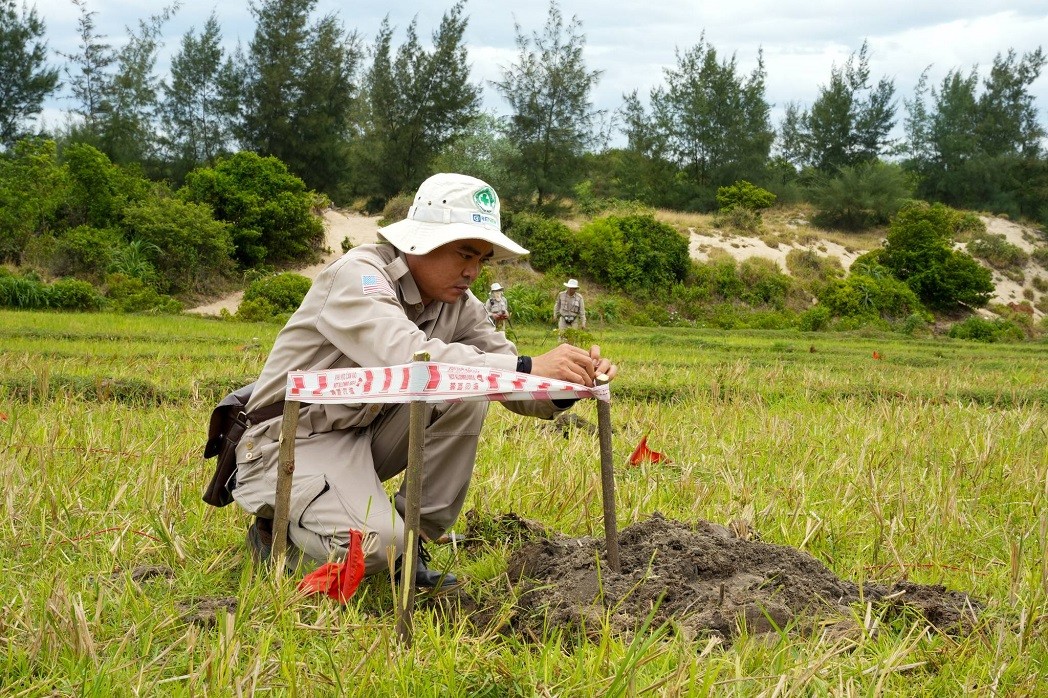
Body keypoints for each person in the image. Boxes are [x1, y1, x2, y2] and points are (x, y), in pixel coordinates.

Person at [231, 173, 617, 588]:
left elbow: (510, 377)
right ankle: (278, 536)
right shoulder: (359, 275)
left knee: (468, 392)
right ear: (421, 242)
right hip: (288, 441)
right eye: (463, 254)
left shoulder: (459, 306)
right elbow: (407, 353)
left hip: (359, 436)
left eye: (481, 260)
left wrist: (569, 382)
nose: (472, 272)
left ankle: (410, 545)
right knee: (379, 544)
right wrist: (527, 367)